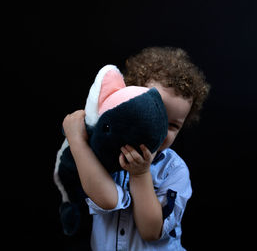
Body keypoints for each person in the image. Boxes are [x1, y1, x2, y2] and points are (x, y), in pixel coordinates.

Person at [62, 47, 210, 250]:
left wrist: (140, 175)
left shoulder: (174, 170)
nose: (161, 130)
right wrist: (78, 141)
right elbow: (106, 199)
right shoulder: (101, 153)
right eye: (157, 117)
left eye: (173, 125)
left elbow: (151, 231)